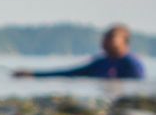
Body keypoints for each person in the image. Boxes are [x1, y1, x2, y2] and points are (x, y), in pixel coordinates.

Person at [13, 24, 146, 79]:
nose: (104, 42)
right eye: (104, 38)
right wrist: (33, 74)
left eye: (110, 38)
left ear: (124, 41)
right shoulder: (101, 62)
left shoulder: (132, 64)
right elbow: (71, 73)